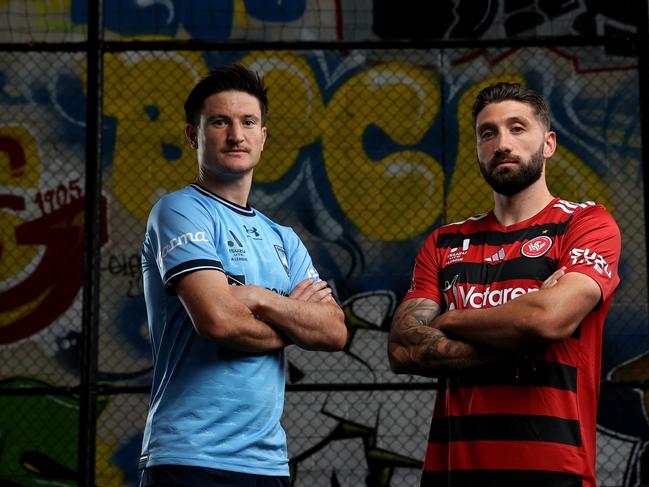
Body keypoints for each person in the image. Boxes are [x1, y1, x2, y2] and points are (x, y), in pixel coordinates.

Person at [388, 82, 621, 487]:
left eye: (517, 128)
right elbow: (403, 348)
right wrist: (522, 334)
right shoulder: (445, 242)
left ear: (548, 143)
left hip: (553, 474)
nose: (501, 143)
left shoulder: (585, 224)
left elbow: (547, 319)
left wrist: (451, 319)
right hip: (454, 474)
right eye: (488, 133)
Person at [139, 64, 347, 487]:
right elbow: (217, 320)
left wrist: (259, 298)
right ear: (193, 135)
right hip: (188, 456)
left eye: (248, 122)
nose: (236, 135)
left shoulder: (282, 238)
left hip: (267, 464)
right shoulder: (179, 211)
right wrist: (292, 321)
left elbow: (333, 331)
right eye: (220, 122)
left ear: (263, 136)